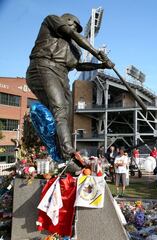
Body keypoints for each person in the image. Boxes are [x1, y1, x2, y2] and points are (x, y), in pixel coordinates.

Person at [26, 13, 114, 169]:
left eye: (78, 27)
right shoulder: (51, 21)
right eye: (73, 24)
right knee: (59, 109)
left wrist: (100, 66)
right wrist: (97, 53)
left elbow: (79, 66)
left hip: (62, 75)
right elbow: (72, 33)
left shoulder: (74, 48)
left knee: (65, 114)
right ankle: (68, 155)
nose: (75, 28)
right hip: (44, 66)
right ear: (66, 19)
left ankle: (60, 154)